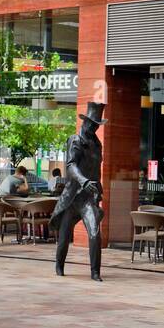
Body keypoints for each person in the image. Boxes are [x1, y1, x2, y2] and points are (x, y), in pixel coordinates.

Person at [51, 101, 105, 281]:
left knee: (95, 232)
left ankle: (95, 272)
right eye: (92, 123)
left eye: (97, 125)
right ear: (86, 122)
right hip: (73, 197)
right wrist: (84, 180)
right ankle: (59, 266)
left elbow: (97, 169)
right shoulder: (75, 140)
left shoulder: (97, 145)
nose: (94, 127)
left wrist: (98, 188)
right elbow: (71, 166)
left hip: (88, 198)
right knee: (65, 235)